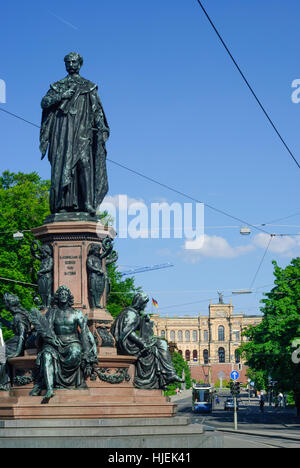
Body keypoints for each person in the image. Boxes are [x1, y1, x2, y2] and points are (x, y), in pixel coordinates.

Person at [40, 52, 110, 215]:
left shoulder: (89, 86)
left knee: (84, 163)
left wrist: (102, 128)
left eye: (74, 62)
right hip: (63, 132)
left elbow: (97, 110)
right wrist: (61, 96)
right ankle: (61, 204)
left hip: (82, 131)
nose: (71, 65)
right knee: (63, 165)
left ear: (80, 64)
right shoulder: (58, 86)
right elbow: (44, 103)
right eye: (68, 62)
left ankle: (86, 203)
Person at [29, 285, 97, 402]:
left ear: (69, 297)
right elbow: (46, 331)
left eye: (65, 294)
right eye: (61, 294)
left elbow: (85, 331)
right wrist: (51, 340)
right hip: (54, 342)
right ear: (57, 297)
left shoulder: (77, 313)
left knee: (76, 353)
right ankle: (50, 389)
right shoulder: (52, 312)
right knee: (46, 356)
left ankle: (65, 381)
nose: (63, 296)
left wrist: (93, 346)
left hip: (72, 341)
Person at [111, 292, 184, 389]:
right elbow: (128, 332)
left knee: (158, 345)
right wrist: (142, 342)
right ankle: (169, 374)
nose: (145, 306)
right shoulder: (131, 314)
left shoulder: (131, 312)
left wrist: (144, 320)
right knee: (161, 344)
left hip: (127, 343)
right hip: (127, 346)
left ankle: (166, 376)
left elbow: (130, 328)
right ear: (139, 302)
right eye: (144, 303)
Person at [0, 293, 35, 391]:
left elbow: (22, 334)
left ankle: (3, 384)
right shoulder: (18, 315)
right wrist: (1, 319)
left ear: (9, 304)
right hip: (15, 342)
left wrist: (18, 352)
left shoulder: (18, 317)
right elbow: (12, 326)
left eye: (5, 302)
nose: (4, 304)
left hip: (17, 344)